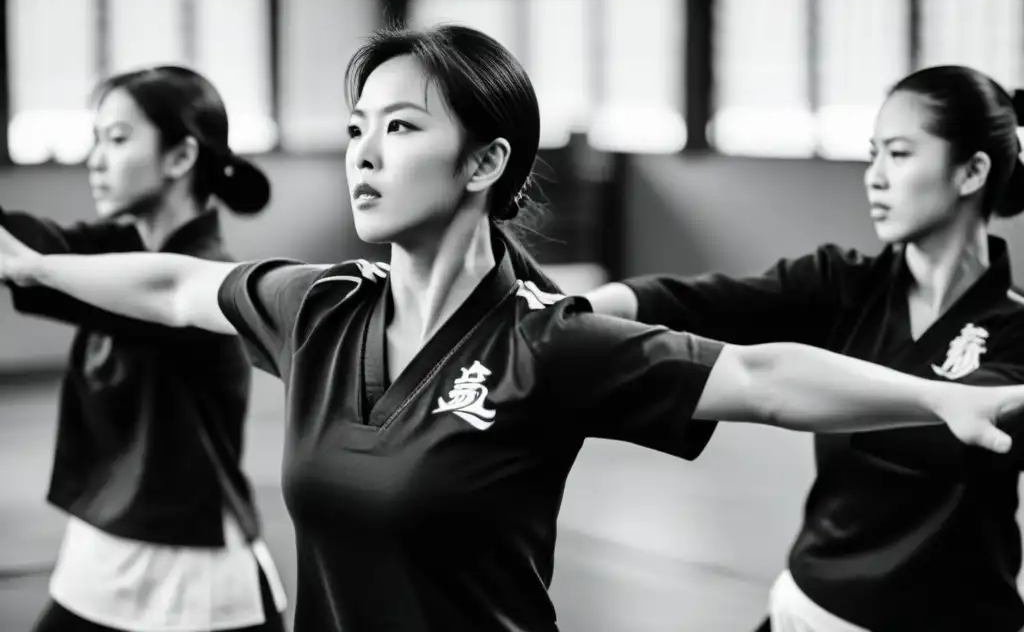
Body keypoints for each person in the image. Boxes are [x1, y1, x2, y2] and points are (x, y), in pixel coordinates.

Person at [2, 34, 1024, 632]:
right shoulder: (317, 308)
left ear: (483, 163)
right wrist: (37, 266)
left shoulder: (548, 345)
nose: (363, 153)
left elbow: (755, 373)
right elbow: (180, 284)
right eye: (357, 127)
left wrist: (941, 397)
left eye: (399, 128)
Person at [586, 66, 1024, 632]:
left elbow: (956, 427)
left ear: (972, 171)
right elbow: (687, 302)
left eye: (899, 153)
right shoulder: (841, 285)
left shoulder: (1016, 327)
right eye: (873, 155)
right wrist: (569, 314)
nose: (875, 177)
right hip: (810, 612)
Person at [0, 66, 287, 632]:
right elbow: (24, 246)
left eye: (117, 138)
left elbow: (58, 270)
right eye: (95, 139)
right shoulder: (112, 248)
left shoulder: (203, 281)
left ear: (180, 158)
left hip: (192, 562)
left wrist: (36, 268)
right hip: (105, 541)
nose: (96, 160)